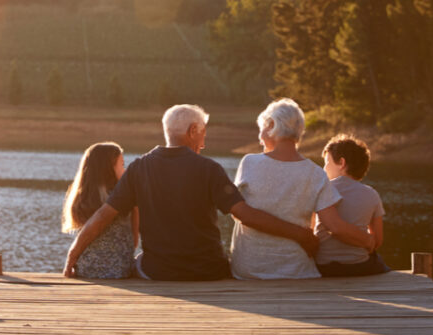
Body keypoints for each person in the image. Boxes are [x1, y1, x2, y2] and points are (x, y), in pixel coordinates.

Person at [64, 104, 318, 281]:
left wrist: (72, 255)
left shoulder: (139, 168)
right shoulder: (209, 168)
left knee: (139, 260)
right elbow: (245, 215)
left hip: (157, 272)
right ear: (192, 131)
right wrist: (300, 234)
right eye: (203, 134)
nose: (204, 143)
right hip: (209, 271)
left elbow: (102, 217)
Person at [229, 98, 374, 280]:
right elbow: (335, 226)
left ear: (272, 125)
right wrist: (368, 240)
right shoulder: (316, 173)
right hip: (296, 272)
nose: (259, 138)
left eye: (262, 129)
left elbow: (238, 213)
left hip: (249, 270)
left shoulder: (250, 162)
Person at [314, 134, 391, 277]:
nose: (324, 168)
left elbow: (312, 232)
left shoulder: (321, 190)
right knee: (379, 261)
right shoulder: (372, 194)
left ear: (342, 163)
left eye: (326, 162)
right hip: (359, 266)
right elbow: (378, 240)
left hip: (323, 267)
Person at [62, 142, 138, 279]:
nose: (125, 170)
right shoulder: (124, 198)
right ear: (108, 168)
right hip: (119, 271)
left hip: (87, 268)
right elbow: (134, 241)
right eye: (122, 165)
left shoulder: (82, 198)